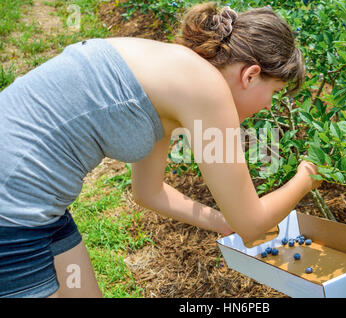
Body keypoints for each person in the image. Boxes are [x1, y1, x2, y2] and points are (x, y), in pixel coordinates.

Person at [0, 2, 321, 298]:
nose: (267, 107)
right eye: (274, 93)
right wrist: (307, 176)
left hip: (36, 198)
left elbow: (148, 191)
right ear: (251, 75)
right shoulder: (208, 90)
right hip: (14, 205)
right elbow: (253, 224)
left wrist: (222, 221)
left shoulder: (176, 73)